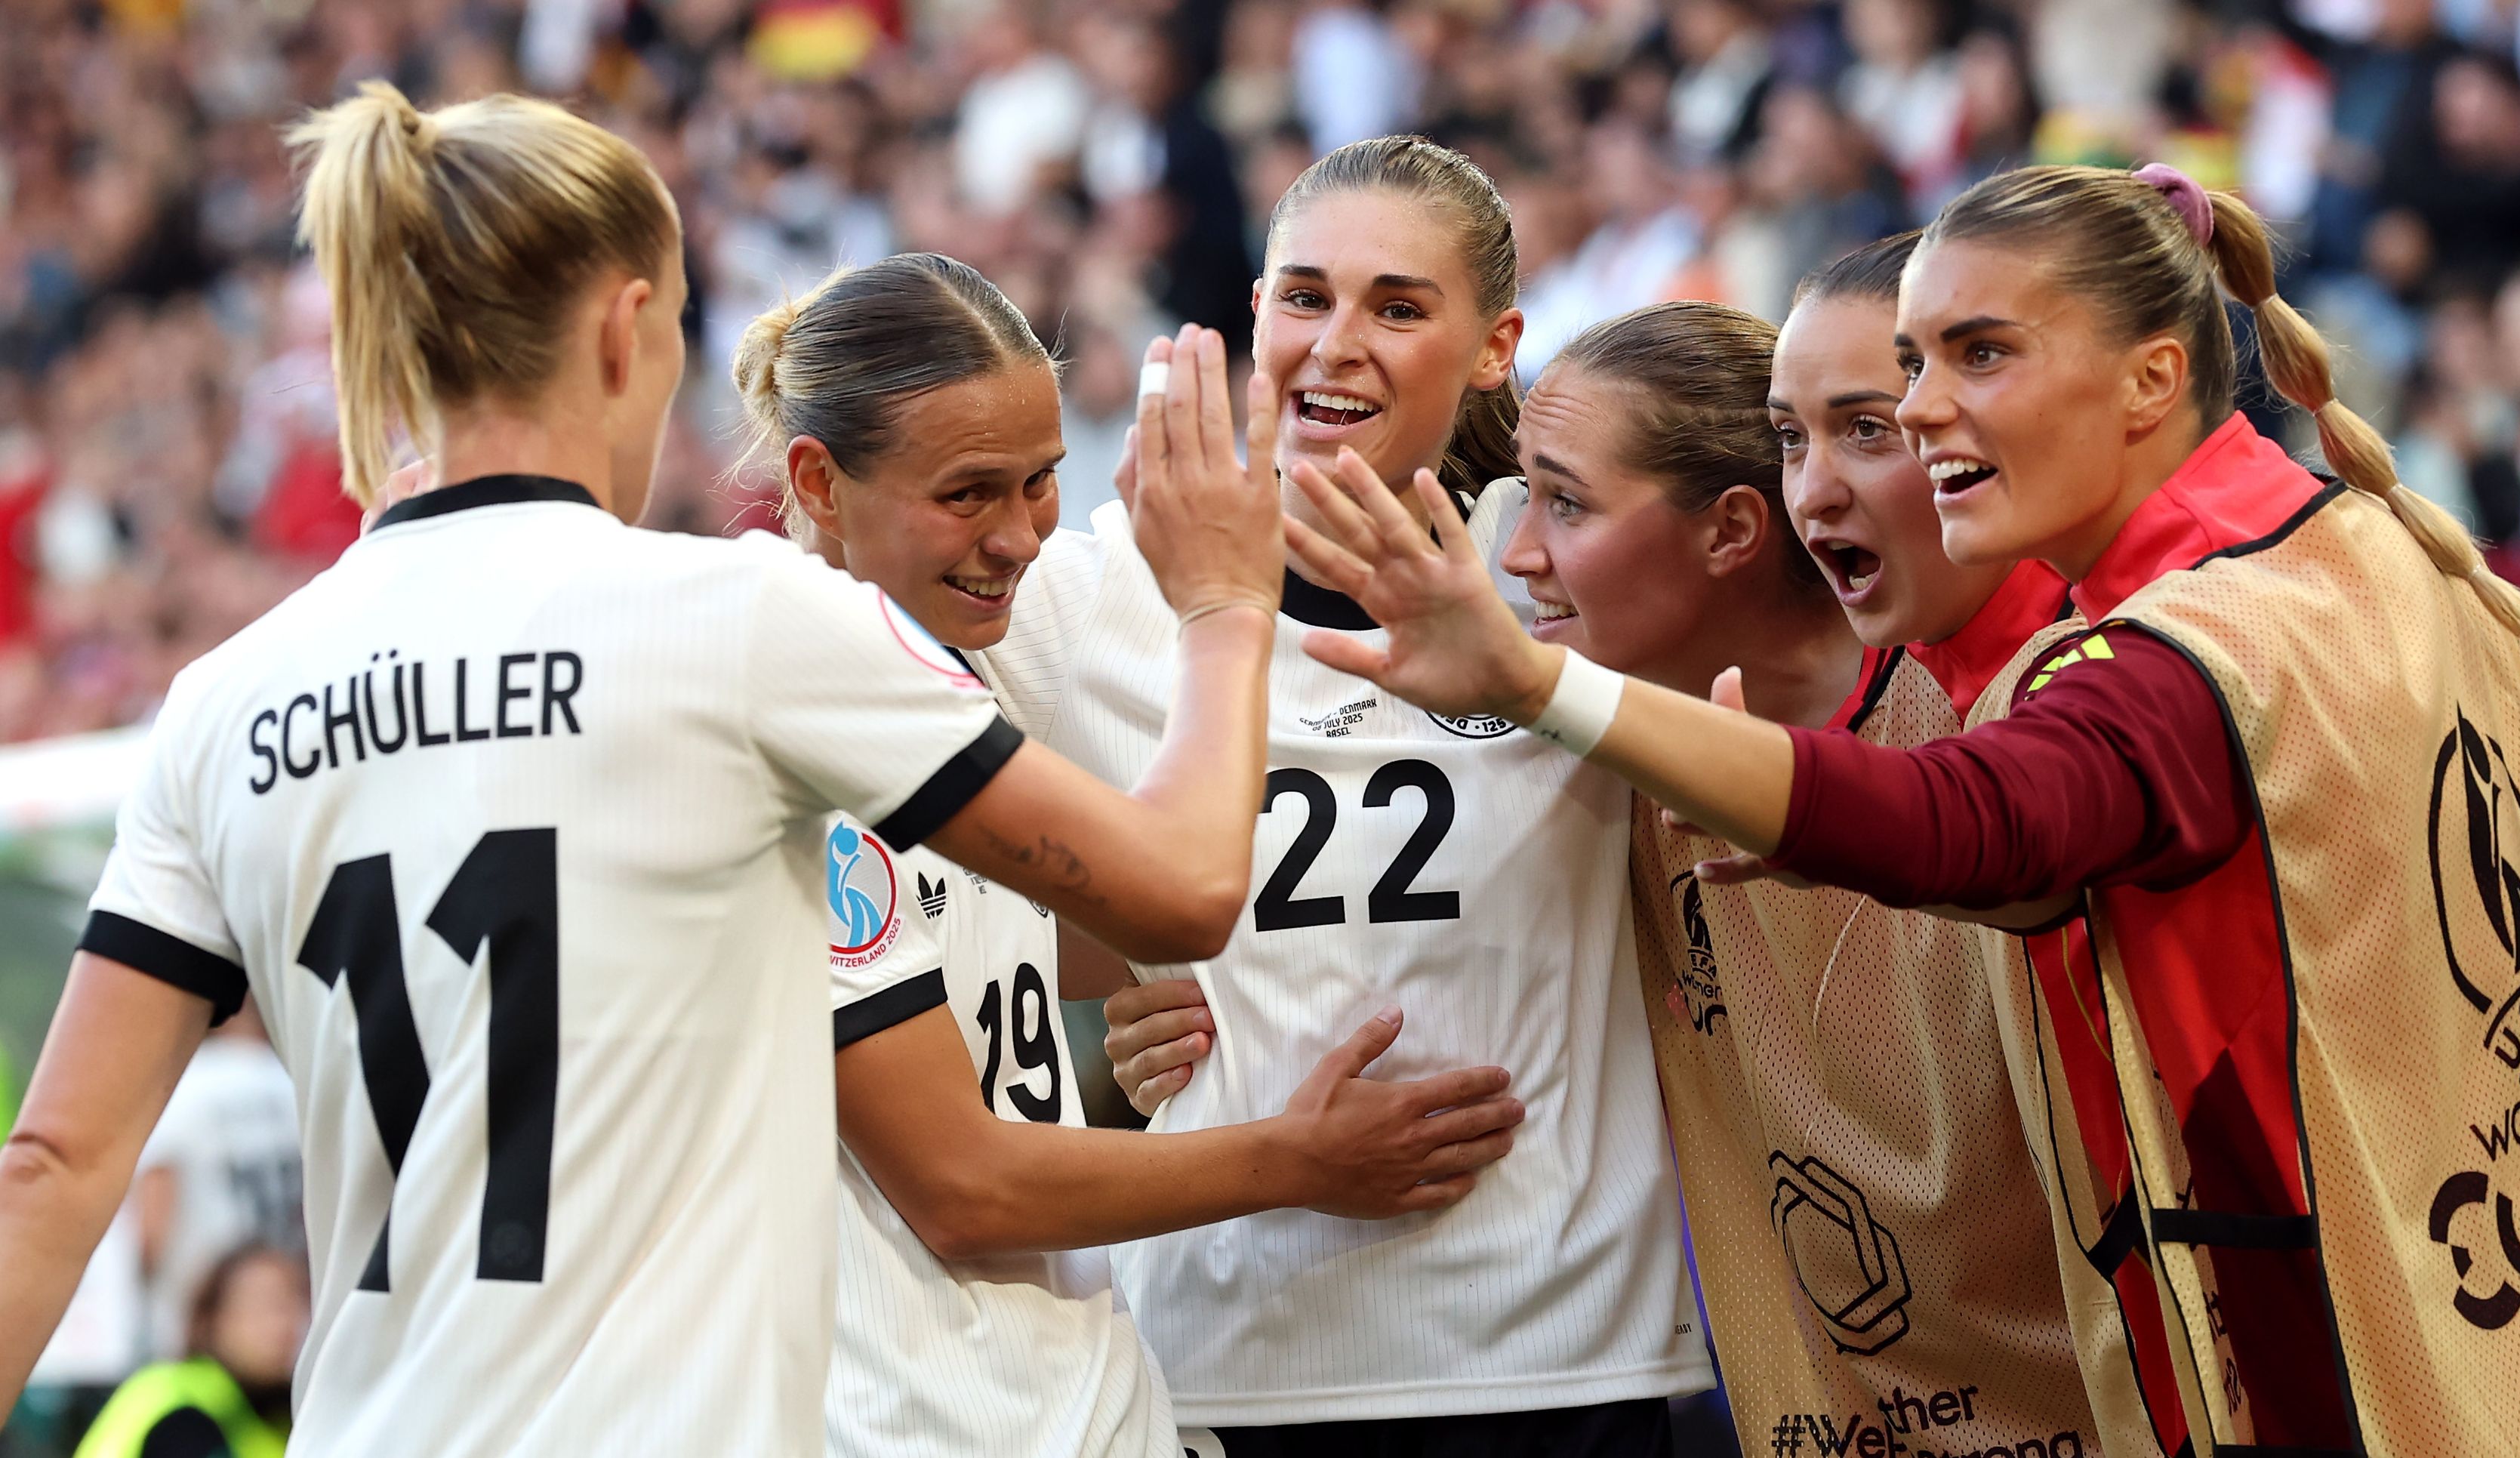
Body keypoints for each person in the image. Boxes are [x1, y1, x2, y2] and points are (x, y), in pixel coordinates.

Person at [0, 81, 1295, 1457]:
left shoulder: (224, 703)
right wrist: (1223, 606)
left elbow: (54, 1168)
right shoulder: (736, 624)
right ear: (629, 326)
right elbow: (1184, 891)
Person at [1285, 161, 2520, 1455]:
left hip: (2373, 1368)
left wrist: (1529, 681)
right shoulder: (2364, 547)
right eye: (1908, 373)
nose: (1924, 417)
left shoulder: (2170, 660)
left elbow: (1969, 827)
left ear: (2149, 378)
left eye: (1975, 358)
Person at [1115, 264, 2134, 1458]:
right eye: (1800, 438)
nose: (1520, 556)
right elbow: (1329, 902)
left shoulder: (2007, 708)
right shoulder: (1581, 769)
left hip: (2099, 1400)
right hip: (1787, 1407)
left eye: (1566, 506)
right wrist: (1192, 1031)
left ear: (1729, 534)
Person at [980, 136, 1711, 1455]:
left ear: (1496, 346)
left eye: (1398, 306)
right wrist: (1097, 973)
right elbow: (894, 820)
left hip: (1551, 1354)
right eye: (1305, 296)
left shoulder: (1561, 574)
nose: (1337, 344)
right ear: (1252, 311)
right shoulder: (1094, 593)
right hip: (1223, 1351)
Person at [730, 253, 1523, 1458]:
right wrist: (1294, 1157)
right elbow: (962, 1185)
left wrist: (1175, 1014)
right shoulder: (783, 710)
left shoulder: (950, 677)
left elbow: (1041, 949)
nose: (1017, 537)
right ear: (816, 483)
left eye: (1041, 481)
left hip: (1078, 1391)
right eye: (967, 494)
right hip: (897, 1417)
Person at [131, 1006, 301, 1362]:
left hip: (201, 1319)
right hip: (293, 1313)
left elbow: (151, 1230)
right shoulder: (295, 1086)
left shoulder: (180, 1088)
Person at [73, 1244, 304, 1458]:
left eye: (295, 1304)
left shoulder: (278, 1414)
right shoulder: (184, 1410)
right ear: (212, 1318)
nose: (283, 1324)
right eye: (264, 1306)